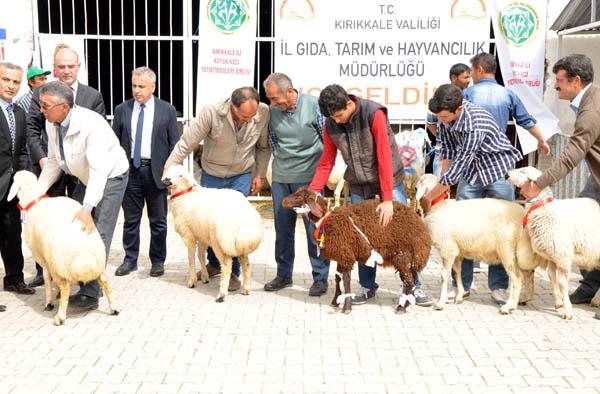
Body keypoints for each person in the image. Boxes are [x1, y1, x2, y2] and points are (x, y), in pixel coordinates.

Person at [309, 84, 433, 307]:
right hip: (358, 186)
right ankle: (367, 288)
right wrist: (313, 192)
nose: (336, 121)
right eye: (332, 118)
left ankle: (414, 287)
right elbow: (326, 160)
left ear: (349, 103)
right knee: (361, 240)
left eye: (339, 115)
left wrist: (387, 199)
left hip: (389, 184)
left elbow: (384, 156)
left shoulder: (373, 114)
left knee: (403, 236)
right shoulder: (330, 123)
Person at [447, 52, 551, 305]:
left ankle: (462, 285)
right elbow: (527, 121)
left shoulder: (467, 95)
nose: (470, 76)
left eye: (472, 71)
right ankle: (499, 287)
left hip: (470, 170)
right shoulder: (507, 94)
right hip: (500, 170)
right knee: (504, 228)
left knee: (464, 225)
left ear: (480, 69)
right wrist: (542, 140)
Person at [419, 84, 529, 303]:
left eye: (444, 116)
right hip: (470, 173)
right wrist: (444, 181)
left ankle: (499, 286)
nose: (440, 120)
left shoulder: (473, 121)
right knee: (460, 227)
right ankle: (461, 284)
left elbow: (462, 160)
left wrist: (432, 194)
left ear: (458, 109)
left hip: (496, 170)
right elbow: (448, 153)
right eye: (438, 116)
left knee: (501, 230)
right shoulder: (446, 120)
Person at [164, 87, 269, 292]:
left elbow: (264, 147)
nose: (249, 120)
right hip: (213, 173)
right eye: (245, 116)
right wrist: (169, 169)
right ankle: (215, 263)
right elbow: (187, 142)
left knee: (232, 223)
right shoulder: (211, 112)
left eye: (252, 116)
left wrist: (260, 174)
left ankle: (232, 272)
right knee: (211, 223)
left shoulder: (263, 112)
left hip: (241, 174)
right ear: (232, 107)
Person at [519, 54, 600, 320]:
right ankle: (590, 286)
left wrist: (538, 184)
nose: (555, 86)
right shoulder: (589, 98)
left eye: (560, 81)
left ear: (576, 81)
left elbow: (572, 154)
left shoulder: (591, 109)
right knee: (588, 230)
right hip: (596, 178)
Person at [36, 81, 128, 310]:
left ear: (64, 107)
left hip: (111, 176)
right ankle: (76, 275)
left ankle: (90, 293)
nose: (41, 109)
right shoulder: (52, 122)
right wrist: (34, 197)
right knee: (74, 227)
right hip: (86, 178)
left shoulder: (91, 125)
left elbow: (99, 170)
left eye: (46, 105)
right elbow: (54, 162)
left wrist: (87, 208)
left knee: (97, 230)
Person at [26, 45, 106, 288]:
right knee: (48, 222)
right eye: (61, 67)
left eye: (71, 66)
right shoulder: (40, 93)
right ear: (54, 69)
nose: (66, 71)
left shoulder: (92, 96)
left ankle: (82, 274)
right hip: (52, 167)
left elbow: (98, 138)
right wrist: (42, 158)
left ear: (78, 67)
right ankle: (46, 272)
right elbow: (32, 129)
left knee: (81, 220)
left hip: (83, 172)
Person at [261, 73, 330, 296]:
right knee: (283, 231)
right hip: (281, 178)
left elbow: (326, 140)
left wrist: (319, 176)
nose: (272, 103)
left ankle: (320, 278)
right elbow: (273, 140)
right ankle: (283, 275)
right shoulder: (273, 112)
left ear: (290, 91)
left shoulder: (314, 106)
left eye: (275, 98)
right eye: (270, 99)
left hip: (310, 180)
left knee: (314, 230)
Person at [112, 67, 179, 278]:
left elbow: (174, 145)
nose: (137, 90)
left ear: (153, 87)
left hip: (155, 172)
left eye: (141, 86)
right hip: (131, 171)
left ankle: (158, 261)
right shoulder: (122, 109)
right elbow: (115, 142)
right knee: (131, 220)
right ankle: (130, 259)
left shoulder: (166, 110)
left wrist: (169, 172)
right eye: (134, 85)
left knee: (158, 221)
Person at [0, 62, 36, 311]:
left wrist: (22, 176)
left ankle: (14, 279)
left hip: (11, 188)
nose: (11, 86)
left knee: (12, 235)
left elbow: (21, 149)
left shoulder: (19, 113)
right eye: (6, 80)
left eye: (15, 82)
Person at [426, 63, 471, 176]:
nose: (469, 80)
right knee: (441, 184)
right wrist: (443, 137)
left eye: (469, 77)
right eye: (465, 77)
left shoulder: (470, 96)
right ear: (454, 78)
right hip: (443, 151)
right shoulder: (439, 97)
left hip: (465, 151)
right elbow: (431, 123)